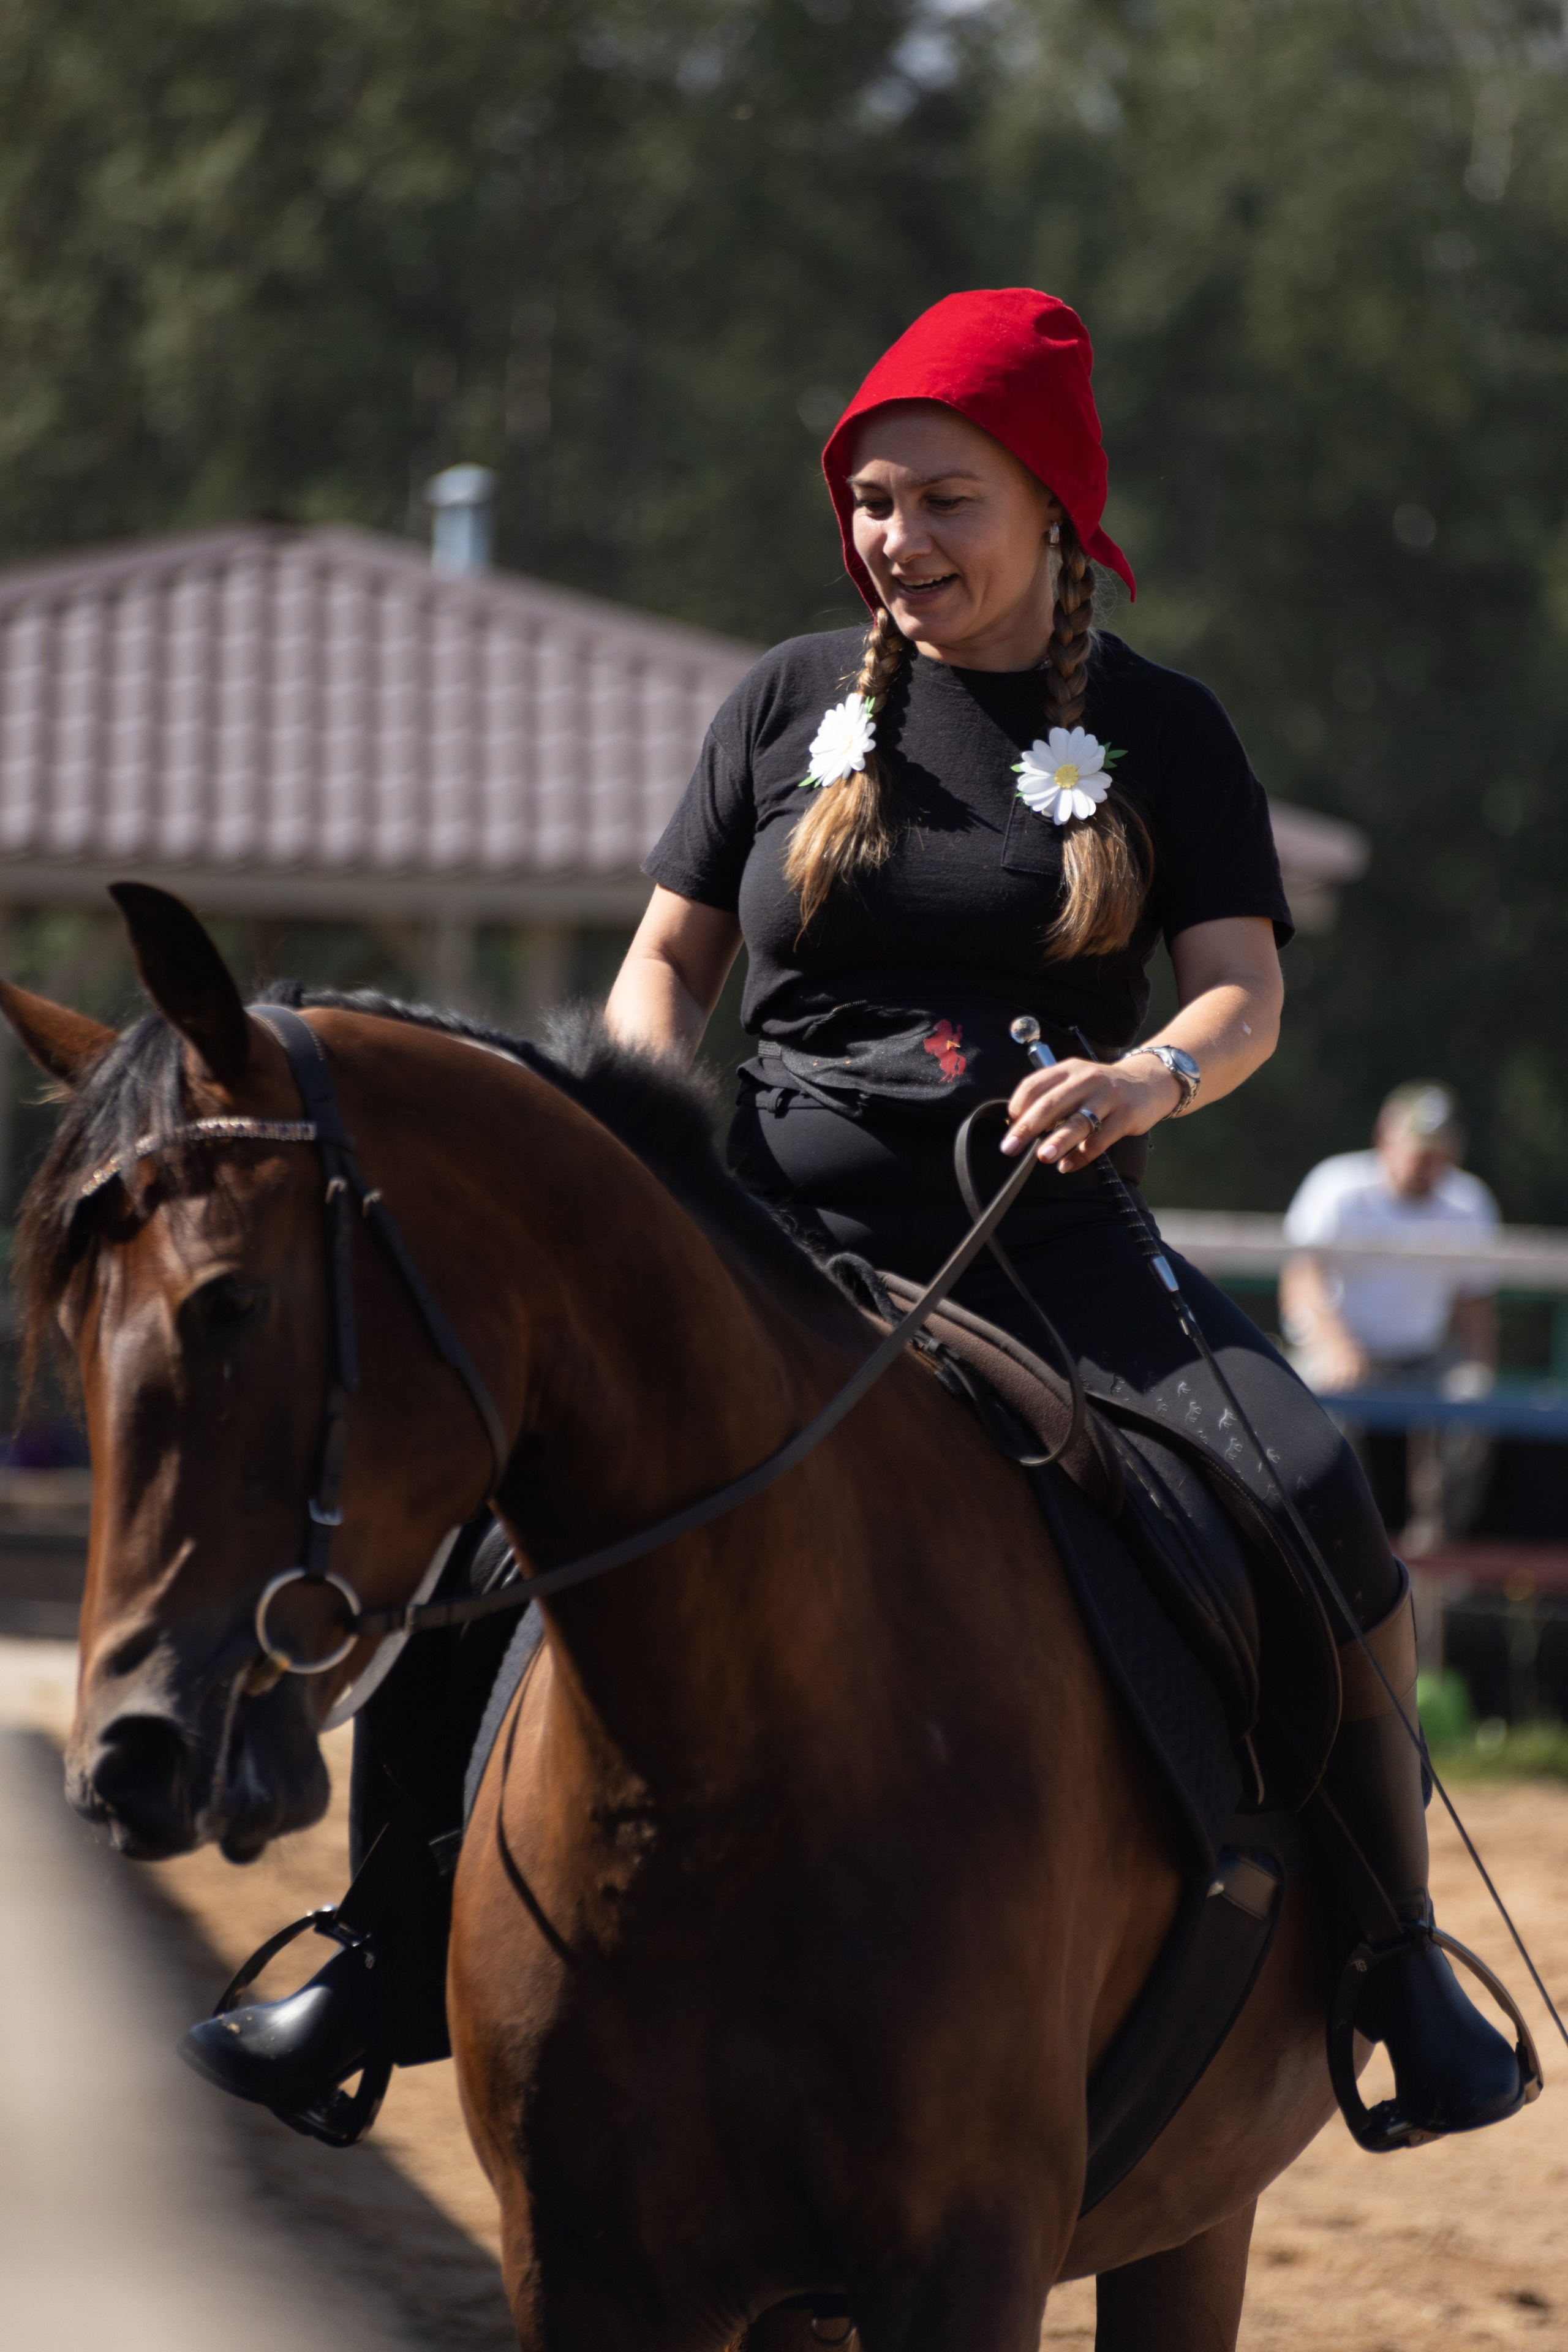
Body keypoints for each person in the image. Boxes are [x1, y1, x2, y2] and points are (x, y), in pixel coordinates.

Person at [184, 287, 1523, 2144]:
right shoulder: (781, 699)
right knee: (501, 1539)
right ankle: (382, 1941)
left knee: (1304, 1494)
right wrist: (632, 1131)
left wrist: (1147, 1082)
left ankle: (1392, 1960)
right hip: (761, 1247)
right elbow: (667, 961)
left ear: (1053, 505)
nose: (898, 539)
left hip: (1054, 1258)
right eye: (872, 500)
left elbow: (1240, 991)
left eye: (943, 498)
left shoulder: (1163, 730)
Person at [1281, 1084, 1500, 1550]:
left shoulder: (1470, 1203)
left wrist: (1480, 1371)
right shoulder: (1337, 1185)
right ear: (1387, 1138)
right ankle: (1330, 1545)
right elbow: (1301, 1278)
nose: (1428, 1165)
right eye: (1420, 1151)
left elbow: (1475, 1301)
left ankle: (1440, 1545)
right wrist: (1337, 1347)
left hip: (1422, 1358)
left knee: (1476, 1409)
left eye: (1439, 1153)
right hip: (1341, 1353)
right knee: (1316, 1413)